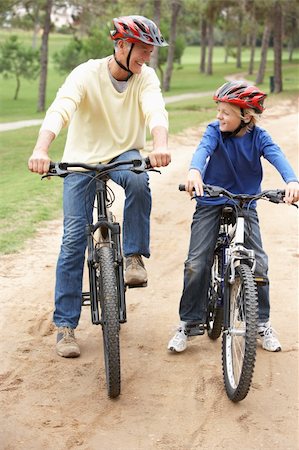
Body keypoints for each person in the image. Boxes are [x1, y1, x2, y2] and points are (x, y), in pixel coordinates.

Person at [28, 15, 171, 358]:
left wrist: (160, 144)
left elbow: (156, 111)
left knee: (139, 179)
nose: (147, 56)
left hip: (123, 152)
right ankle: (65, 326)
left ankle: (133, 257)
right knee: (74, 239)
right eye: (143, 49)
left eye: (151, 50)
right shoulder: (86, 73)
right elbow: (61, 109)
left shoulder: (145, 77)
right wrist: (41, 150)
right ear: (121, 45)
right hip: (81, 158)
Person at [168, 81, 299, 354]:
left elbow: (278, 157)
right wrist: (194, 172)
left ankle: (261, 323)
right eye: (218, 110)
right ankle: (189, 323)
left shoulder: (260, 137)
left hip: (245, 203)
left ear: (246, 116)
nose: (219, 116)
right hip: (211, 199)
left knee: (259, 263)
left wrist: (292, 181)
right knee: (196, 262)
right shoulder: (214, 131)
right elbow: (203, 150)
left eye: (225, 112)